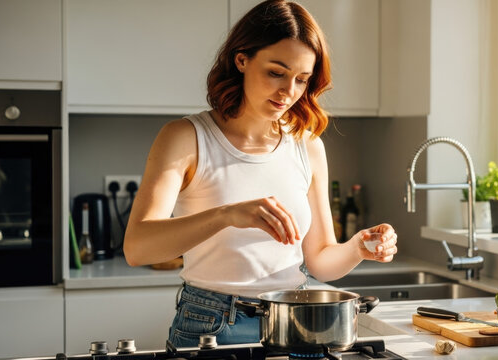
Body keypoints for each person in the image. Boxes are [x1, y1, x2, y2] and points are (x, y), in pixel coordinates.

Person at [123, 0, 398, 348]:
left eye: (301, 79)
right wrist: (228, 214)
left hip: (295, 323)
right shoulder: (186, 138)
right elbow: (138, 248)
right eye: (276, 72)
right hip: (211, 325)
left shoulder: (307, 145)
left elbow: (320, 260)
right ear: (242, 59)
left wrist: (359, 247)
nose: (289, 92)